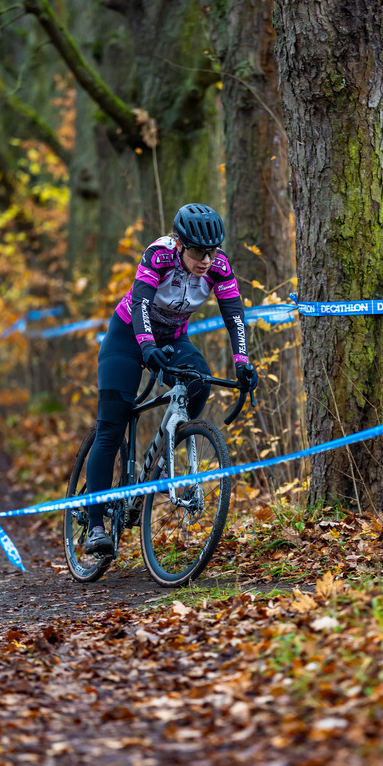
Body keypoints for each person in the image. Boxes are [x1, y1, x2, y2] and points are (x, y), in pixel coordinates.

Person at [84, 202, 258, 555]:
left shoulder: (218, 266)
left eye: (212, 251)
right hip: (127, 337)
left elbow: (235, 316)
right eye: (198, 252)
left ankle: (163, 465)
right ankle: (95, 525)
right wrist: (146, 345)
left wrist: (243, 362)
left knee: (200, 382)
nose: (206, 260)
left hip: (173, 338)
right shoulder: (159, 255)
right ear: (180, 244)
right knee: (112, 426)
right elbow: (140, 304)